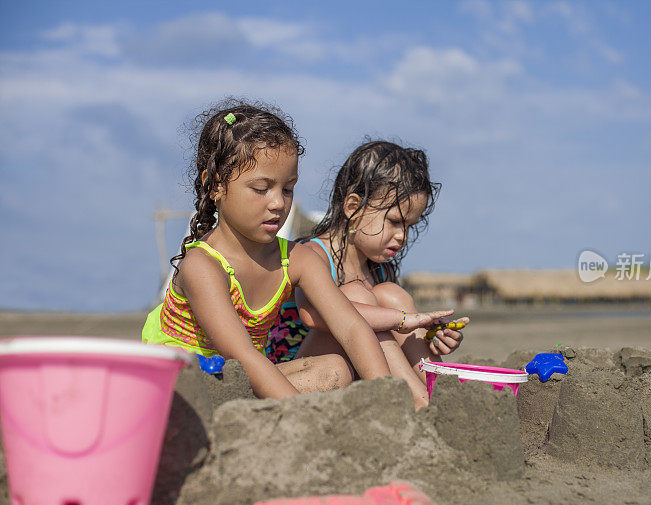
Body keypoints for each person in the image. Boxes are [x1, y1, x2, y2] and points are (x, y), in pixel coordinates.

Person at [142, 100, 397, 400]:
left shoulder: (298, 259)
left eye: (287, 189)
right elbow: (242, 356)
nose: (278, 203)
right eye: (262, 189)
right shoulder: (202, 266)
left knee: (335, 370)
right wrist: (295, 414)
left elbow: (352, 327)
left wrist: (388, 399)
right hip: (181, 386)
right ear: (214, 186)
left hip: (241, 383)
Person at [266, 140, 469, 408]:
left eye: (409, 226)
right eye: (395, 221)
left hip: (360, 371)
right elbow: (311, 315)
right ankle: (420, 403)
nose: (402, 236)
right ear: (353, 207)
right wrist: (404, 320)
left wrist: (430, 338)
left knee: (392, 295)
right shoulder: (313, 254)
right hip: (303, 370)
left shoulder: (378, 267)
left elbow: (393, 334)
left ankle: (438, 389)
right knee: (356, 297)